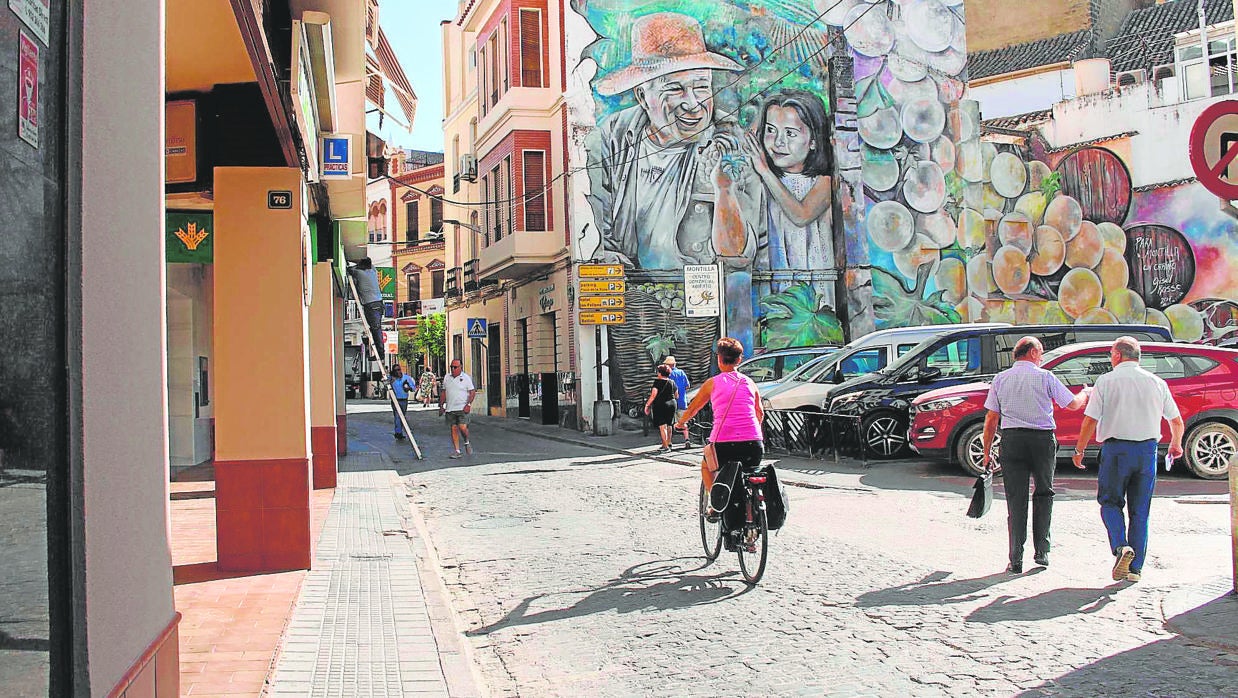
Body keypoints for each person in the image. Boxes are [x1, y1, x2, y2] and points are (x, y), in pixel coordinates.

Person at [585, 12, 762, 270]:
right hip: (634, 302)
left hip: (705, 300)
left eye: (701, 87)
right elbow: (596, 235)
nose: (693, 103)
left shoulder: (729, 142)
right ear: (643, 97)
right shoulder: (611, 140)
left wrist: (724, 190)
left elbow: (737, 256)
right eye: (675, 89)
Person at [1071, 337, 1184, 583]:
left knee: (1110, 502)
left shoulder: (1106, 381)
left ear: (1118, 356)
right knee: (1140, 511)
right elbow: (1176, 420)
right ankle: (1135, 569)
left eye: (1111, 353)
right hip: (1147, 451)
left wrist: (1079, 449)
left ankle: (1121, 546)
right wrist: (1176, 444)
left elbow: (1090, 419)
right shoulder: (1157, 382)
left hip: (1116, 450)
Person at [981, 336, 1090, 574]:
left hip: (1012, 441)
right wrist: (1085, 393)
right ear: (1032, 353)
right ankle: (1042, 552)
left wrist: (987, 451)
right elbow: (1072, 404)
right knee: (1044, 493)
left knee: (1015, 500)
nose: (1041, 358)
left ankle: (1016, 558)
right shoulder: (1045, 377)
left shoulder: (1000, 379)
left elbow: (991, 419)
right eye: (1040, 353)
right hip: (1041, 441)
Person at [743, 89, 836, 306]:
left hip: (812, 285)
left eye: (791, 133)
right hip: (773, 277)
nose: (778, 142)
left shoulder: (822, 182)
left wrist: (764, 170)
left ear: (813, 141)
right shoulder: (759, 180)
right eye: (771, 131)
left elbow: (801, 215)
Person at [677, 337, 765, 552]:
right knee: (748, 476)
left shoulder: (713, 383)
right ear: (739, 359)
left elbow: (694, 408)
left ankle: (715, 504)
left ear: (719, 359)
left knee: (706, 465)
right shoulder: (750, 382)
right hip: (753, 443)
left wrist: (681, 422)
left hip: (723, 442)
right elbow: (759, 413)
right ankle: (751, 523)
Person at [439, 359, 477, 459]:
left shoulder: (466, 378)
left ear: (461, 367)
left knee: (462, 427)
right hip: (450, 408)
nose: (453, 369)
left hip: (462, 407)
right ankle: (457, 451)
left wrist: (468, 404)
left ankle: (466, 441)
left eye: (455, 367)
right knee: (454, 428)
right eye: (451, 367)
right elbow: (443, 392)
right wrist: (441, 406)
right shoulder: (447, 377)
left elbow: (472, 392)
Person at [348, 257, 385, 360]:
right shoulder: (373, 270)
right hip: (379, 303)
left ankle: (381, 354)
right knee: (376, 329)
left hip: (371, 305)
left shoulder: (358, 272)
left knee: (376, 330)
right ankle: (379, 352)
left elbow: (349, 269)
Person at [644, 364, 678, 451]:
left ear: (660, 373)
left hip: (661, 404)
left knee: (662, 426)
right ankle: (669, 443)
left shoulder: (657, 382)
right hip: (672, 404)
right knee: (669, 424)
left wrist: (647, 405)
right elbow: (676, 395)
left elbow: (653, 395)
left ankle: (665, 446)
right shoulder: (672, 382)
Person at [665, 356, 691, 447]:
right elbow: (688, 386)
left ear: (669, 365)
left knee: (669, 423)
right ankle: (687, 439)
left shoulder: (668, 374)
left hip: (671, 402)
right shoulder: (681, 372)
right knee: (683, 422)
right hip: (682, 401)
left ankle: (669, 442)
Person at [387, 363, 416, 440]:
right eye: (395, 370)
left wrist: (408, 388)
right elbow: (384, 381)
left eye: (398, 370)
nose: (397, 372)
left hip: (404, 400)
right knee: (397, 416)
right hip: (395, 400)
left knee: (402, 416)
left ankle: (400, 431)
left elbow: (413, 388)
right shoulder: (392, 379)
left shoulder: (406, 378)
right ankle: (398, 432)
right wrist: (390, 381)